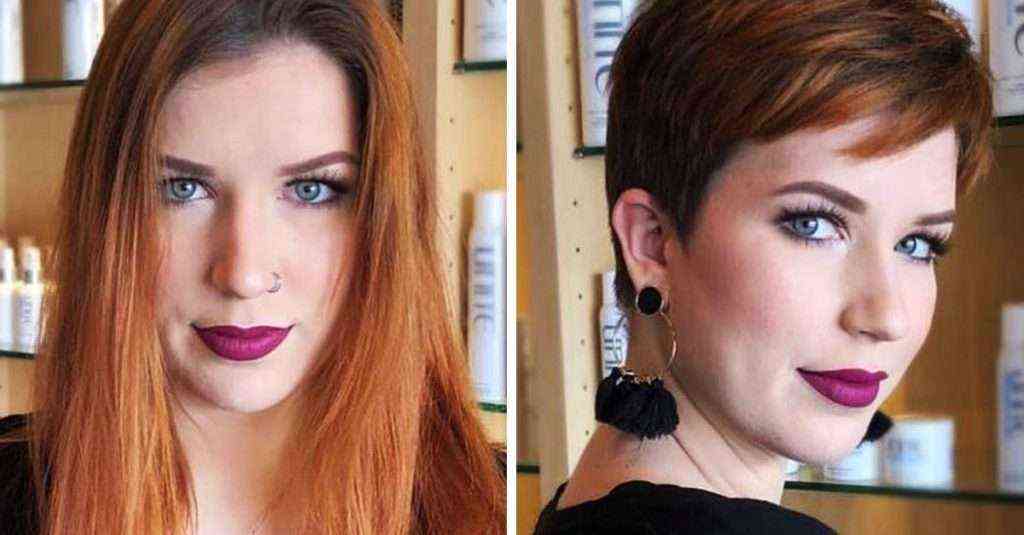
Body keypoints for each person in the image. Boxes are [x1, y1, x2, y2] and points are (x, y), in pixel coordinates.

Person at [0, 1, 505, 534]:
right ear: (106, 213)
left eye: (311, 191)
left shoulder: (487, 507)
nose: (243, 276)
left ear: (384, 218)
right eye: (183, 189)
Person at [534, 0, 991, 533]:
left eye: (917, 244)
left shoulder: (584, 504)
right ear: (652, 242)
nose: (886, 316)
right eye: (813, 225)